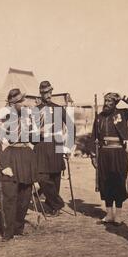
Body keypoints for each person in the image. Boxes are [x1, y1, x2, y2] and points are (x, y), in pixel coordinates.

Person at [0, 88, 38, 241]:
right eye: (21, 101)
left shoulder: (27, 118)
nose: (24, 104)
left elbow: (35, 138)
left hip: (26, 159)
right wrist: (4, 165)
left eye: (24, 100)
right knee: (9, 197)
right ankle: (8, 231)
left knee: (25, 197)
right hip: (10, 158)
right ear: (12, 104)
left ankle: (18, 228)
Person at [89, 92, 128, 225]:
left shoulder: (122, 114)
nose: (106, 104)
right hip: (103, 154)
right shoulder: (99, 117)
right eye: (105, 101)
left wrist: (123, 97)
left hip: (118, 153)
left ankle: (119, 216)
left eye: (110, 101)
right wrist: (93, 155)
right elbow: (93, 137)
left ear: (115, 103)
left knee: (118, 182)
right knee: (105, 183)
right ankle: (109, 214)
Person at [33, 81, 74, 216]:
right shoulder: (34, 110)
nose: (49, 95)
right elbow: (28, 134)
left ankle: (53, 207)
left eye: (50, 92)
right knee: (41, 177)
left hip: (56, 146)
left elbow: (71, 127)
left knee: (55, 176)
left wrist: (68, 147)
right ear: (41, 94)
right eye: (45, 93)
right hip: (41, 147)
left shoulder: (58, 108)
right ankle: (58, 203)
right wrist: (38, 133)